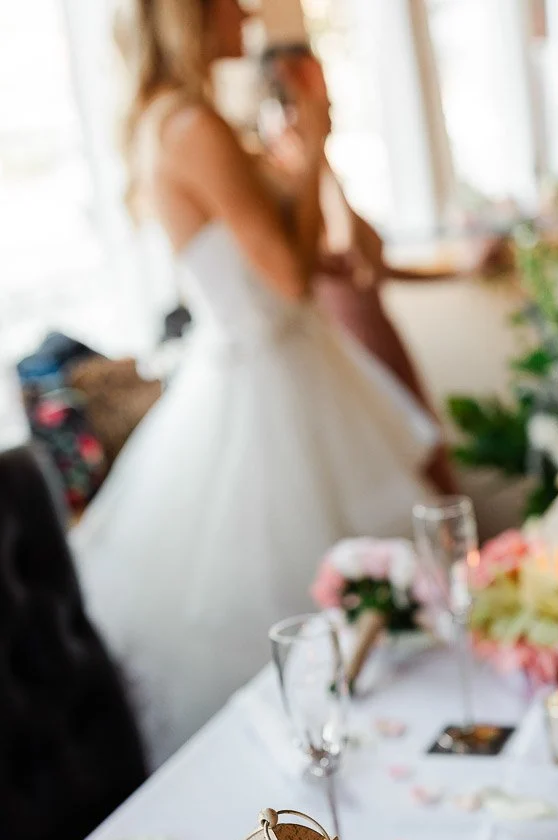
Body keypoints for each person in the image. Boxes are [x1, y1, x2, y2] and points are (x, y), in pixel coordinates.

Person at [71, 0, 441, 769]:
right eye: (227, 1)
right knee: (311, 603)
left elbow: (285, 261)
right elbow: (287, 278)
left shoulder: (170, 120)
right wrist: (314, 145)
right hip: (268, 380)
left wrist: (311, 163)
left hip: (280, 362)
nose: (243, 11)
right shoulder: (192, 126)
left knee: (360, 589)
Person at [258, 44, 485, 494]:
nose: (326, 100)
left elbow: (375, 270)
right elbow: (342, 256)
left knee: (430, 463)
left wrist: (462, 270)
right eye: (309, 88)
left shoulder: (321, 172)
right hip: (346, 347)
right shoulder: (283, 179)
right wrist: (315, 153)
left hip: (380, 333)